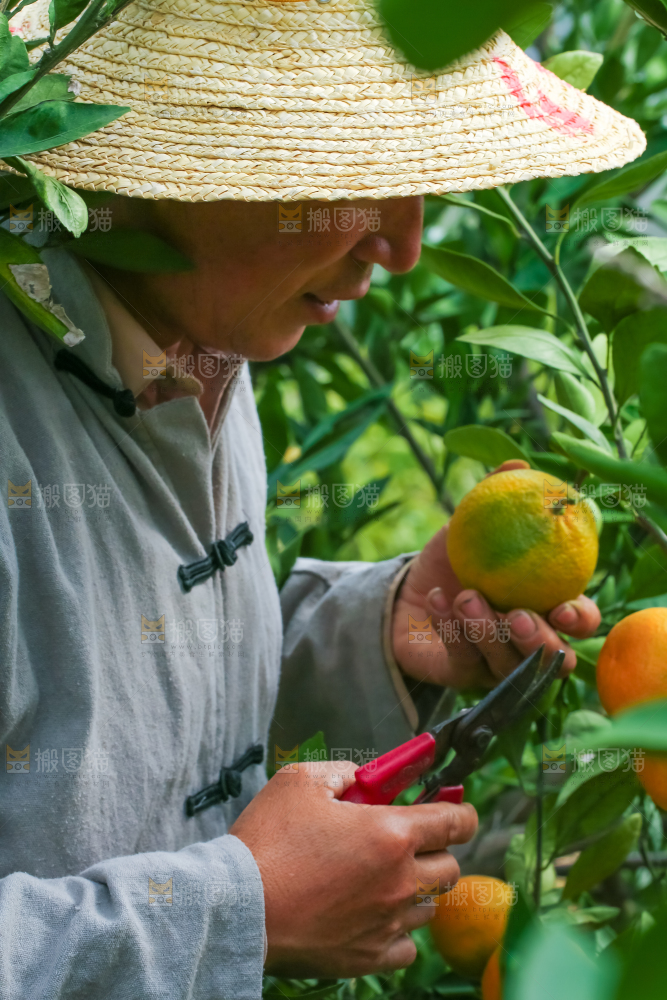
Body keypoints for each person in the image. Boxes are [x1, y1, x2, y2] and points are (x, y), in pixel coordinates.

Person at [1, 0, 642, 995]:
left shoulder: (199, 328)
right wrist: (231, 911)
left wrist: (372, 632)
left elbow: (117, 688)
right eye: (354, 175)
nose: (403, 245)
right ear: (168, 153)